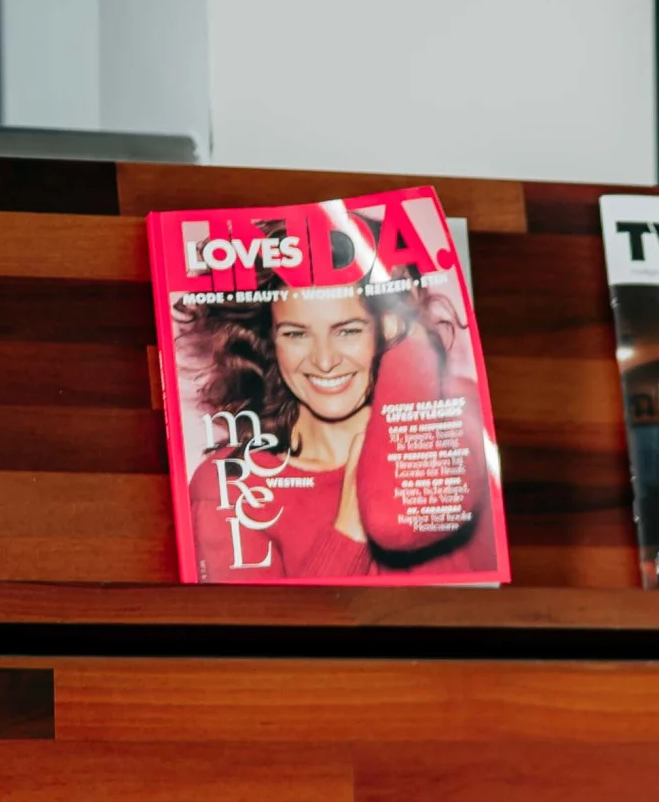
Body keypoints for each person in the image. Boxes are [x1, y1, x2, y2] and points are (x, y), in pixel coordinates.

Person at [177, 222, 493, 581]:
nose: (324, 361)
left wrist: (413, 348)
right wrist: (349, 526)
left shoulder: (452, 420)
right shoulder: (232, 486)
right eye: (296, 334)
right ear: (269, 341)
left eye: (347, 330)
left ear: (387, 327)